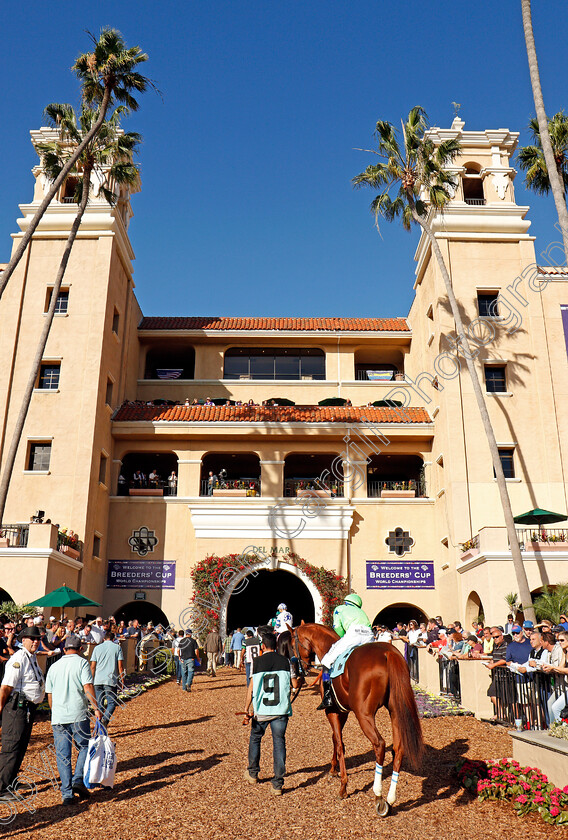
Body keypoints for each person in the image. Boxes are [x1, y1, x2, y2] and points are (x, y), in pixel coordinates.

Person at [46, 634, 102, 804]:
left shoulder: (54, 666)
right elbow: (87, 686)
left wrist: (54, 710)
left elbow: (49, 694)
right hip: (78, 713)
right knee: (84, 747)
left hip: (59, 715)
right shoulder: (82, 663)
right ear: (81, 649)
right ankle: (78, 779)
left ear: (64, 649)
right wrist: (96, 708)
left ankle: (67, 793)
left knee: (63, 755)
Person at [243, 632, 299, 794]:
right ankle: (277, 783)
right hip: (281, 710)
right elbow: (294, 683)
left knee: (255, 739)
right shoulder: (285, 661)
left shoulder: (257, 662)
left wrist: (247, 709)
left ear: (263, 646)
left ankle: (253, 773)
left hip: (261, 710)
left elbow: (251, 687)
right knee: (279, 742)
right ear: (275, 646)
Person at [0, 626, 45, 801]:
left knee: (21, 745)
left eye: (38, 639)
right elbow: (6, 687)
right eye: (32, 638)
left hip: (27, 708)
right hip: (16, 708)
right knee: (12, 746)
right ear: (23, 639)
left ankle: (10, 781)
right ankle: (1, 788)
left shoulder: (30, 657)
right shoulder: (18, 658)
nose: (35, 641)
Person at [318, 593, 373, 710]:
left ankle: (327, 697)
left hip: (353, 634)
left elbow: (337, 627)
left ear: (346, 602)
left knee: (326, 661)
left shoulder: (339, 609)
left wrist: (342, 639)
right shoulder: (362, 612)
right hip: (369, 635)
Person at [90, 630, 124, 729]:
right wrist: (122, 679)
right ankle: (105, 719)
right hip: (110, 680)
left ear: (104, 638)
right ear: (113, 639)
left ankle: (99, 726)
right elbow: (120, 666)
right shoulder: (117, 648)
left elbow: (92, 666)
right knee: (112, 703)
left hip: (98, 680)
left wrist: (91, 679)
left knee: (99, 705)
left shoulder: (97, 648)